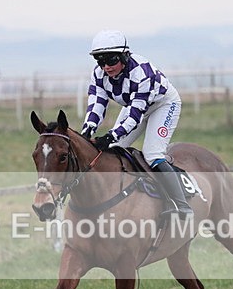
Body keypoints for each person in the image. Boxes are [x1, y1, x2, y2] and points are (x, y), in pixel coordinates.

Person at [82, 30, 192, 217]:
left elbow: (134, 116)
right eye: (100, 61)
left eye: (111, 60)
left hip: (162, 105)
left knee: (152, 154)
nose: (106, 67)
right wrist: (87, 131)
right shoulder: (98, 74)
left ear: (124, 56)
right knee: (114, 149)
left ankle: (182, 205)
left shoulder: (141, 73)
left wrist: (111, 135)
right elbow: (96, 106)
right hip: (135, 105)